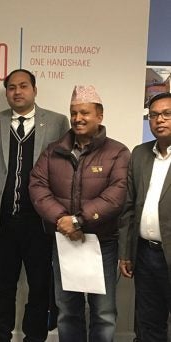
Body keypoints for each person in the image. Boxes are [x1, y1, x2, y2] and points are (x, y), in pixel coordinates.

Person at [29, 85, 130, 342]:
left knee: (104, 312)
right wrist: (62, 220)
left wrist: (78, 220)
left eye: (84, 112)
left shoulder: (117, 152)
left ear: (100, 115)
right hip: (65, 242)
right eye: (73, 113)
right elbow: (37, 185)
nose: (77, 118)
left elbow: (116, 195)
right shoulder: (54, 150)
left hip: (103, 243)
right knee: (67, 310)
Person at [0, 69, 69, 342]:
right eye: (11, 87)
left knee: (39, 285)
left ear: (34, 90)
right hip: (2, 221)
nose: (17, 92)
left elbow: (63, 173)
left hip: (41, 222)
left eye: (23, 86)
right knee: (2, 285)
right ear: (7, 93)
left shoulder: (57, 122)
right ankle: (0, 336)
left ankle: (35, 337)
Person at [119, 92, 171, 341]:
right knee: (148, 323)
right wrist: (126, 252)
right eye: (153, 115)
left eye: (166, 114)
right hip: (146, 254)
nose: (159, 120)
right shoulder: (139, 154)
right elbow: (129, 206)